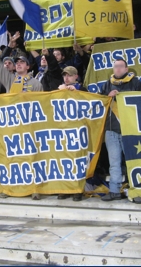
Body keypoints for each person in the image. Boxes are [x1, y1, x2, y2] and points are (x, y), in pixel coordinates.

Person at [0, 38, 43, 200]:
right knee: (10, 158)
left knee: (31, 158)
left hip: (29, 127)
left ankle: (35, 189)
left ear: (28, 66)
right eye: (17, 62)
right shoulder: (10, 80)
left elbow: (42, 105)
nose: (19, 64)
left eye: (22, 62)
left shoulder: (36, 83)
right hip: (12, 127)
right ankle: (7, 188)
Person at [100, 59, 141, 202]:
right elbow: (98, 102)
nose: (118, 69)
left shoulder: (136, 82)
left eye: (121, 66)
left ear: (127, 69)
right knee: (114, 162)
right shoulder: (107, 84)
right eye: (116, 66)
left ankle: (136, 190)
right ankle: (114, 190)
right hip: (111, 129)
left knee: (133, 161)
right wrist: (107, 97)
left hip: (131, 129)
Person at [56, 66, 87, 202]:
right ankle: (65, 188)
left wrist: (77, 93)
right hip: (63, 130)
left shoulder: (83, 89)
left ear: (76, 76)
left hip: (78, 130)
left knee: (77, 160)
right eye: (65, 75)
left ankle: (77, 189)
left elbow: (91, 102)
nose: (66, 78)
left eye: (69, 75)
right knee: (64, 161)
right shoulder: (60, 89)